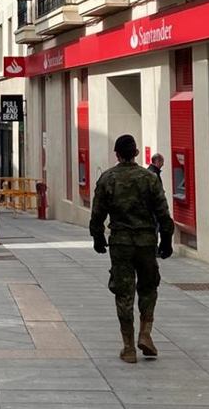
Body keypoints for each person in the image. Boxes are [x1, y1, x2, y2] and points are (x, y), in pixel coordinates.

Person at [89, 134, 174, 364]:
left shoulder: (108, 179)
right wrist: (166, 239)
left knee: (124, 293)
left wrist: (97, 237)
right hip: (146, 242)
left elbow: (97, 213)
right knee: (148, 287)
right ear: (136, 153)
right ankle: (145, 332)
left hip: (121, 244)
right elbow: (163, 212)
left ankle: (128, 347)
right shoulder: (149, 178)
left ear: (116, 154)